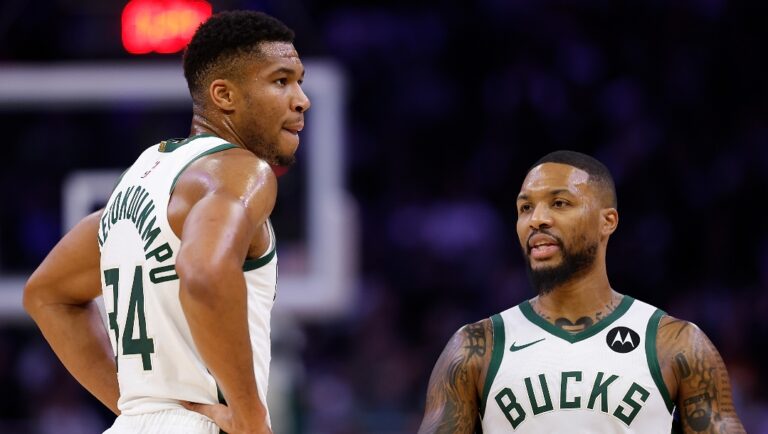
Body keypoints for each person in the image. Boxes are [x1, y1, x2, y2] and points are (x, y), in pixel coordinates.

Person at [23, 10, 310, 434]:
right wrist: (251, 418)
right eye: (281, 81)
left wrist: (136, 409)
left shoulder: (141, 178)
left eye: (299, 80)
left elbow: (46, 295)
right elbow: (205, 273)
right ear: (224, 95)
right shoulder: (241, 171)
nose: (301, 98)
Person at [418, 150, 745, 433]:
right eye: (525, 208)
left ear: (608, 221)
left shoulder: (675, 344)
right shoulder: (476, 347)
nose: (537, 219)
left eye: (559, 203)